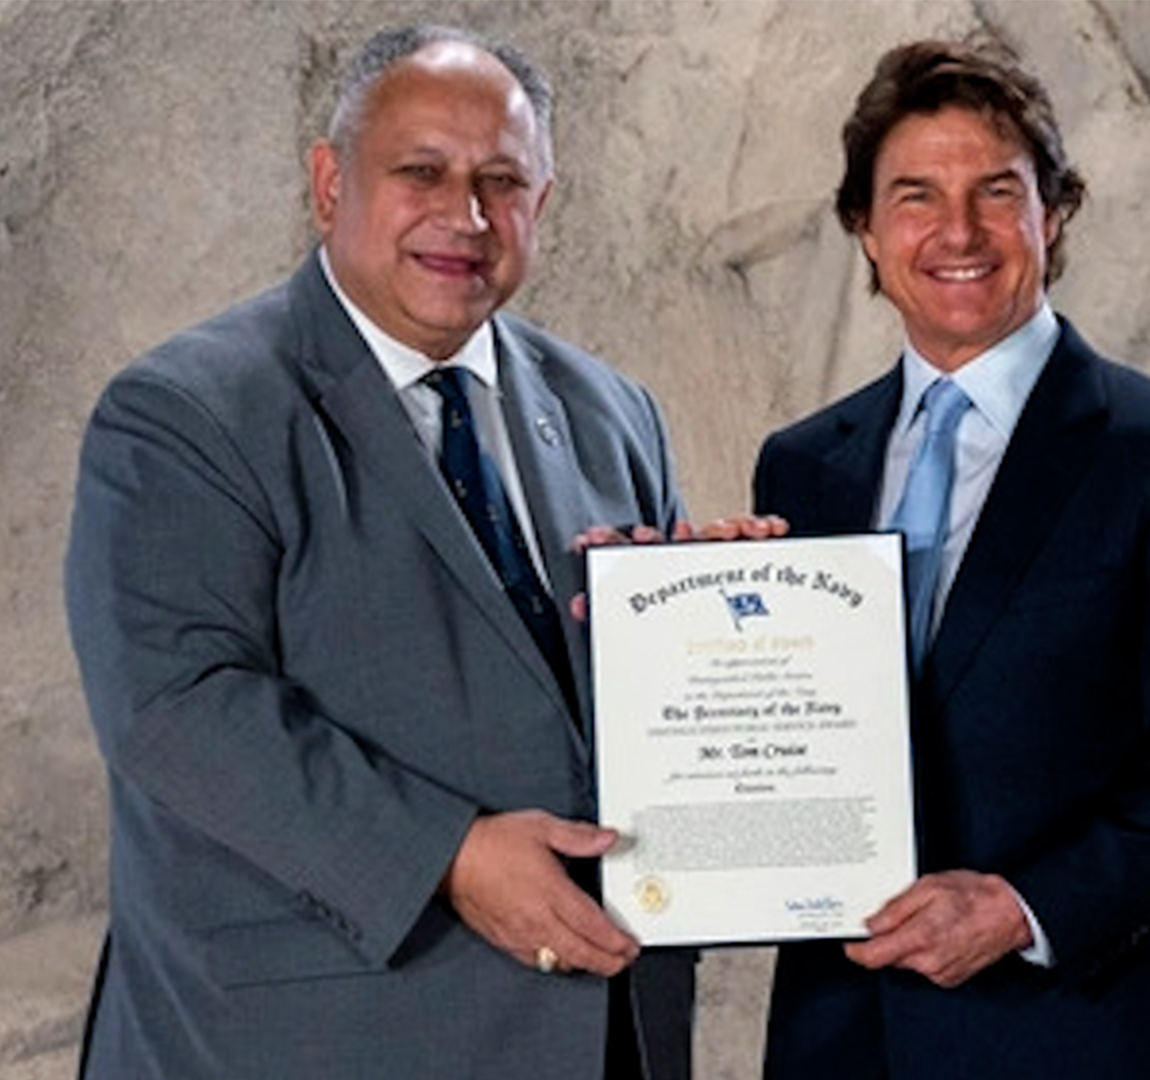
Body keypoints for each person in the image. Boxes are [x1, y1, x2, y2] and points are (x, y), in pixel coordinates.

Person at [66, 23, 705, 1080]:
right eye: (422, 172)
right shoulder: (185, 414)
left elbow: (648, 709)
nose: (466, 216)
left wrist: (736, 616)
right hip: (306, 1044)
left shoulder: (612, 412)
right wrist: (447, 854)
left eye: (502, 181)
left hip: (601, 1033)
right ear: (329, 183)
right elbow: (174, 708)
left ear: (540, 207)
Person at [754, 37, 1150, 1080]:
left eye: (996, 191)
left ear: (1054, 212)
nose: (957, 231)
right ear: (864, 229)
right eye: (914, 196)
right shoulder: (802, 468)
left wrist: (1022, 907)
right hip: (841, 1039)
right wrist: (662, 619)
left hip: (1075, 1030)